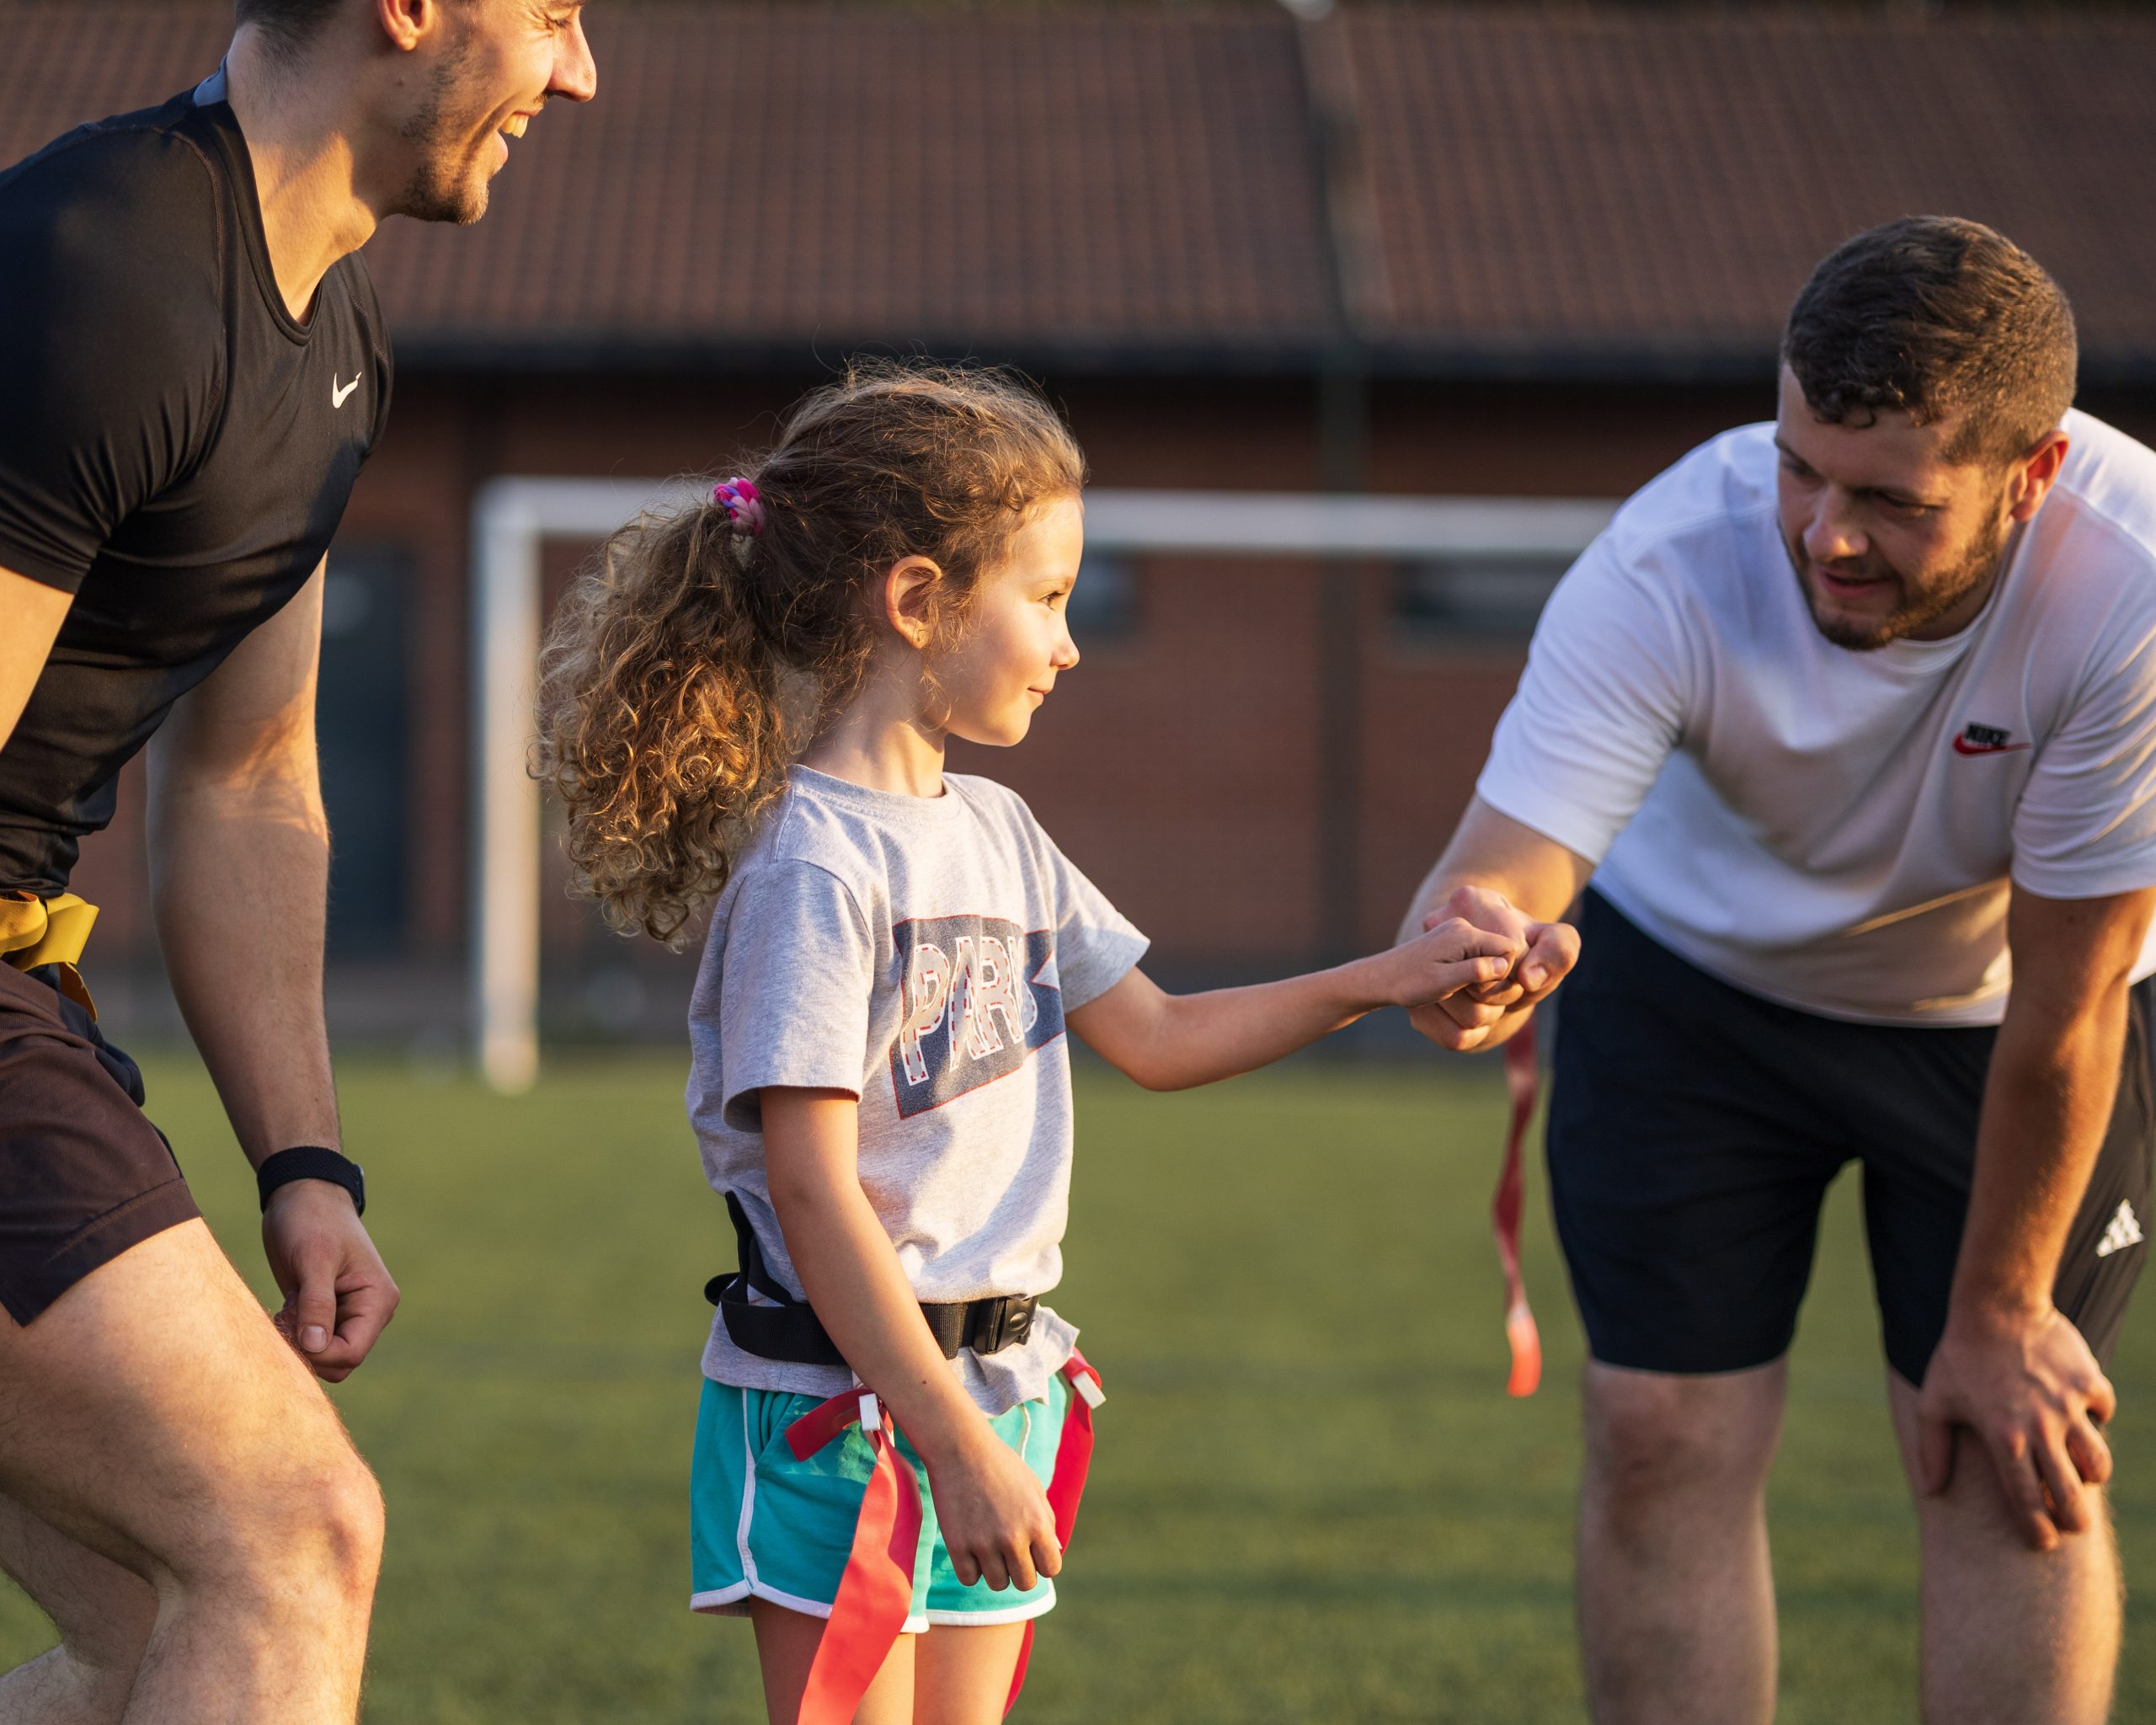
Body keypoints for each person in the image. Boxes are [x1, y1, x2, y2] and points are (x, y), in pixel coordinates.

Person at [532, 362, 1522, 1725]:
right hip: (846, 1419)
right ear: (918, 600)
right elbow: (815, 1191)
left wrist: (1391, 977)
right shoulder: (814, 870)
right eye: (1047, 598)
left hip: (1004, 1395)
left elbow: (1160, 1035)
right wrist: (946, 1443)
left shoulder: (1000, 829)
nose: (1069, 645)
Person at [1400, 216, 2156, 1725]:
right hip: (1693, 992)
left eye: (1891, 500)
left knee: (2003, 1455)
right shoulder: (1669, 557)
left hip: (2003, 1020)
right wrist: (1473, 951)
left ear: (2033, 475)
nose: (1824, 534)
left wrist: (2001, 1312)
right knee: (1658, 1434)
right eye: (1801, 469)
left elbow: (2070, 1002)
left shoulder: (2132, 585)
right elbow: (1495, 873)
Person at [0, 3, 594, 1719]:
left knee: (162, 1630)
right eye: (553, 15)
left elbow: (252, 779)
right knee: (288, 1539)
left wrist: (305, 1162)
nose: (577, 73)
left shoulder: (337, 339)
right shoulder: (105, 269)